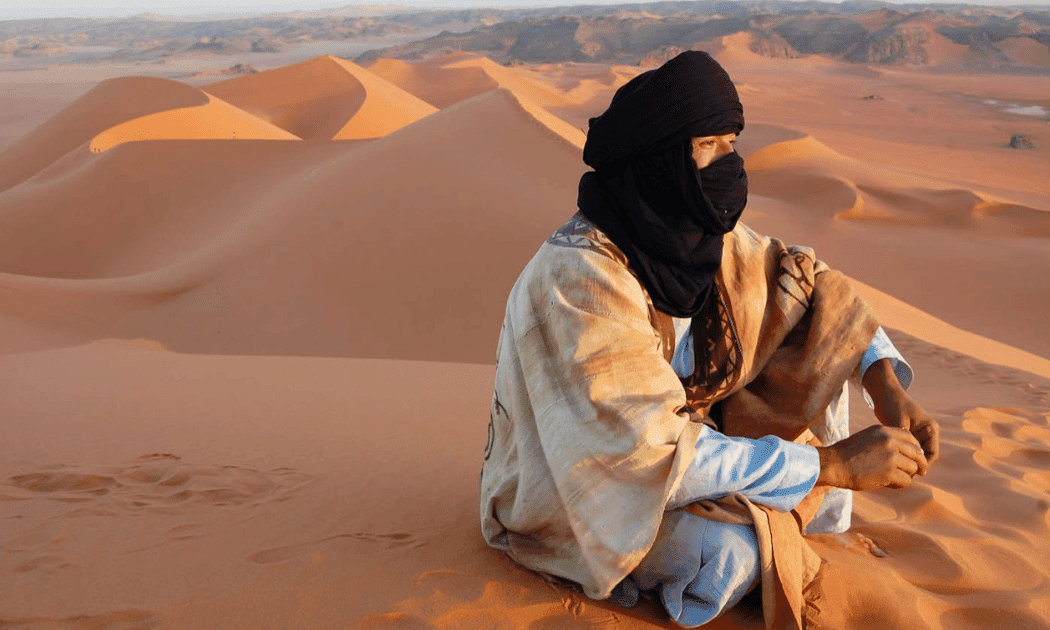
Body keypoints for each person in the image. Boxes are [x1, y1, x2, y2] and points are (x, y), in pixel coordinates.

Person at [479, 50, 939, 629]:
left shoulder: (694, 235)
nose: (730, 164)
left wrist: (886, 386)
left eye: (732, 143)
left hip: (685, 446)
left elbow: (811, 286)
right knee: (733, 555)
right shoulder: (581, 279)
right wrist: (827, 466)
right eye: (709, 147)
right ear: (659, 161)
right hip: (579, 487)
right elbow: (646, 447)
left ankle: (762, 504)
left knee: (776, 502)